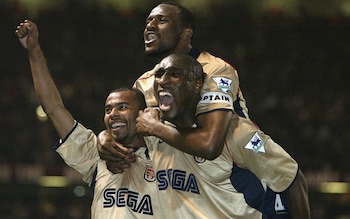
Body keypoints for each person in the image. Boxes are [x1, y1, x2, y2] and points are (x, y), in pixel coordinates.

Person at [98, 2, 310, 218]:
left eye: (161, 20)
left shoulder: (215, 70)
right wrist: (104, 138)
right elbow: (126, 129)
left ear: (186, 33)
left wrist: (154, 127)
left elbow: (210, 143)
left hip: (228, 177)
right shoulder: (144, 83)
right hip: (185, 183)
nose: (150, 26)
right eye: (148, 21)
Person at [15, 20, 162, 218]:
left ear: (142, 112)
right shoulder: (95, 155)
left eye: (123, 107)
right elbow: (53, 108)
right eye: (108, 109)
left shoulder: (166, 157)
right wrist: (33, 50)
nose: (113, 114)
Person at [137, 53, 311, 218]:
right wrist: (108, 141)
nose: (163, 81)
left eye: (175, 75)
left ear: (197, 84)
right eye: (159, 75)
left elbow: (292, 178)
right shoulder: (151, 132)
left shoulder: (237, 135)